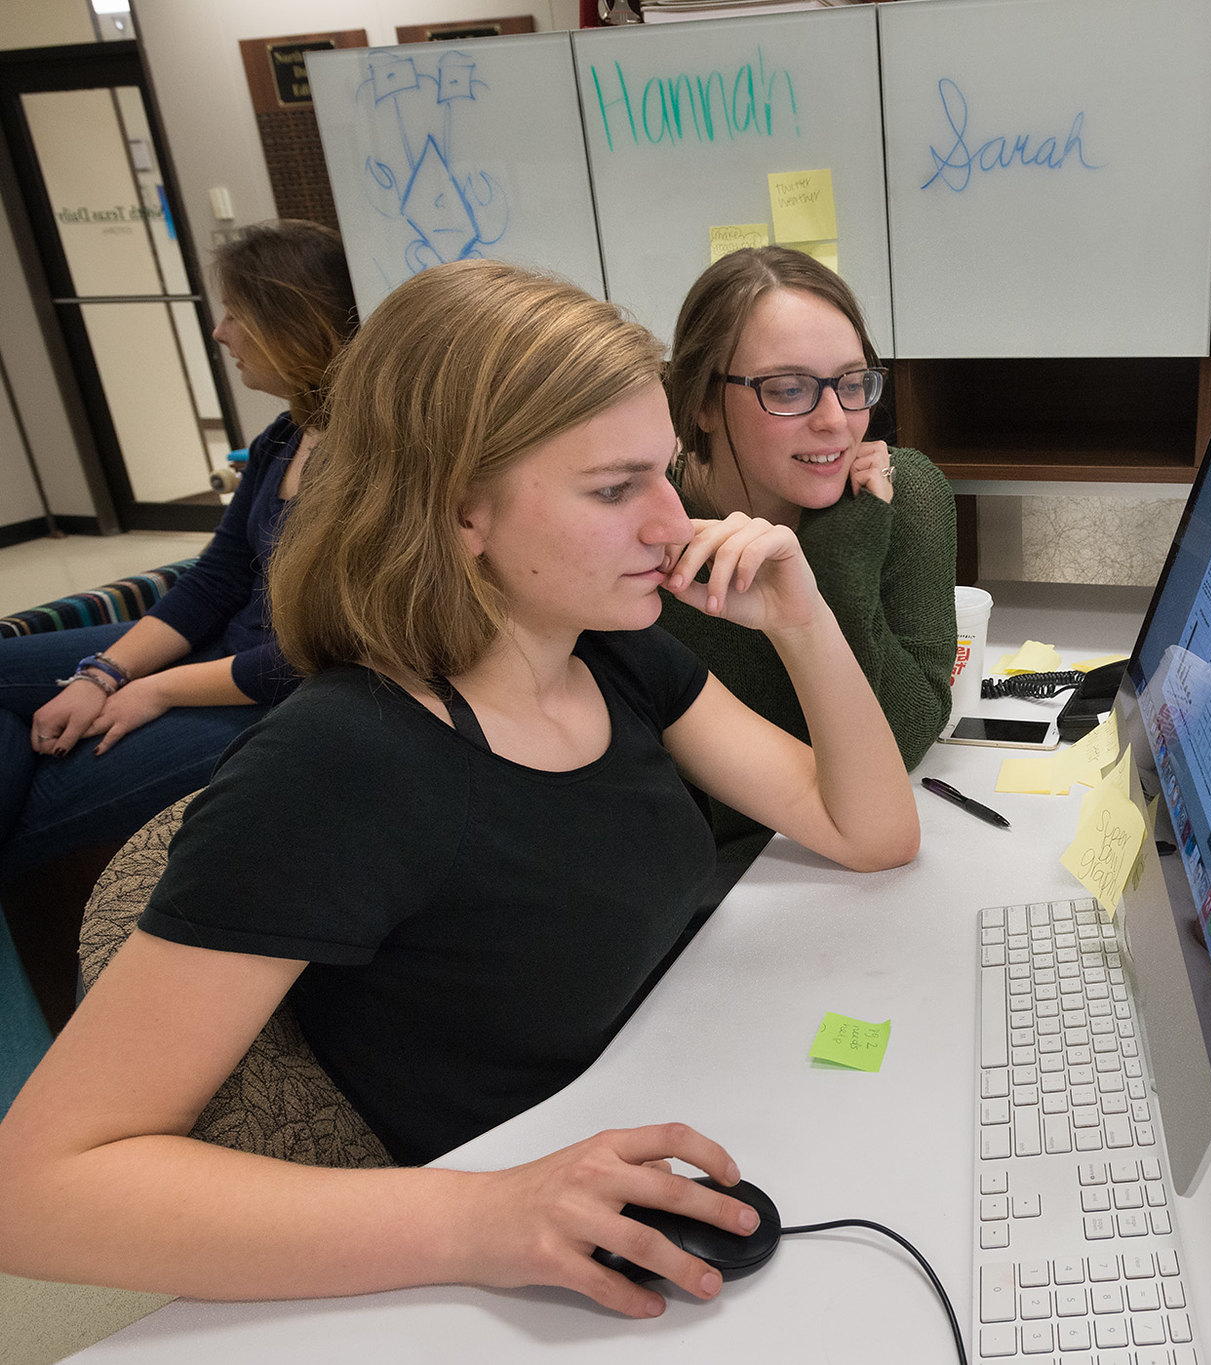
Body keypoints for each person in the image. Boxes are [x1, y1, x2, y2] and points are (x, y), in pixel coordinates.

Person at [0, 261, 918, 1316]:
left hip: (671, 1105)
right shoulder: (339, 762)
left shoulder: (605, 649)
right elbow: (36, 1192)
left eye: (664, 472)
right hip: (502, 1269)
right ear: (460, 510)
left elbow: (869, 830)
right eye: (614, 489)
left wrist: (803, 620)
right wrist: (483, 1216)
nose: (672, 523)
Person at [0, 220, 356, 876]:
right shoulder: (286, 436)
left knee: (41, 796)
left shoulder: (373, 458)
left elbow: (322, 654)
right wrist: (102, 675)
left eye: (236, 314)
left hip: (281, 697)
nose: (220, 333)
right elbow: (215, 579)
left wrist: (156, 690)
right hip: (222, 652)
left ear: (294, 323)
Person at [663, 246, 956, 864]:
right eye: (789, 389)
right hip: (735, 877)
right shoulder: (655, 534)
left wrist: (843, 556)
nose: (836, 421)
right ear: (703, 403)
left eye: (853, 383)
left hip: (850, 849)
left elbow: (906, 738)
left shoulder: (898, 495)